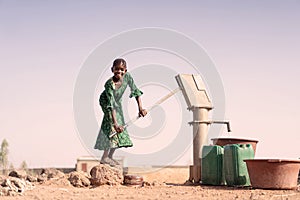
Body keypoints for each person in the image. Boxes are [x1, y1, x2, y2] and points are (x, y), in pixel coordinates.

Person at [94, 58, 147, 166]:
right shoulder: (109, 84)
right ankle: (104, 157)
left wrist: (140, 109)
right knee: (112, 125)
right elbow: (111, 104)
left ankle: (110, 156)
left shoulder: (128, 77)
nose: (119, 72)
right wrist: (115, 124)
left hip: (117, 102)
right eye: (116, 69)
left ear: (125, 71)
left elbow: (136, 91)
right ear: (112, 69)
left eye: (122, 69)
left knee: (120, 126)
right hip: (107, 101)